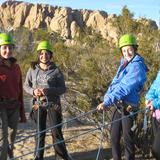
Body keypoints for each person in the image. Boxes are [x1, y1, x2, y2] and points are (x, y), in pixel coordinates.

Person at [97, 34, 148, 160]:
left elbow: (125, 86)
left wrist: (108, 101)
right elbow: (115, 82)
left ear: (135, 49)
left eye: (129, 49)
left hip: (129, 107)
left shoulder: (137, 66)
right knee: (114, 137)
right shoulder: (124, 63)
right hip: (117, 104)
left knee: (127, 138)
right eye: (124, 50)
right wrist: (107, 97)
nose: (127, 53)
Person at [24, 40, 71, 160]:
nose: (44, 56)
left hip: (53, 105)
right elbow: (26, 86)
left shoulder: (56, 70)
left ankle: (61, 157)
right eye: (41, 53)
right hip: (38, 105)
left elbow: (62, 88)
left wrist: (48, 91)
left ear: (50, 55)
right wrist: (33, 91)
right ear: (38, 54)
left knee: (56, 132)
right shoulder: (32, 70)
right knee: (40, 133)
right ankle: (38, 157)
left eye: (47, 53)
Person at [0, 33, 27, 160]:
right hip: (1, 107)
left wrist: (22, 112)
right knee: (2, 140)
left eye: (10, 47)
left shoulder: (16, 67)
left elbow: (19, 90)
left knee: (12, 138)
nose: (7, 50)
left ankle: (10, 156)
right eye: (4, 47)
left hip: (15, 106)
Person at [145, 71, 160, 159]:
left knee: (157, 149)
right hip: (156, 115)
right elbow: (154, 87)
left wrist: (155, 103)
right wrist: (149, 98)